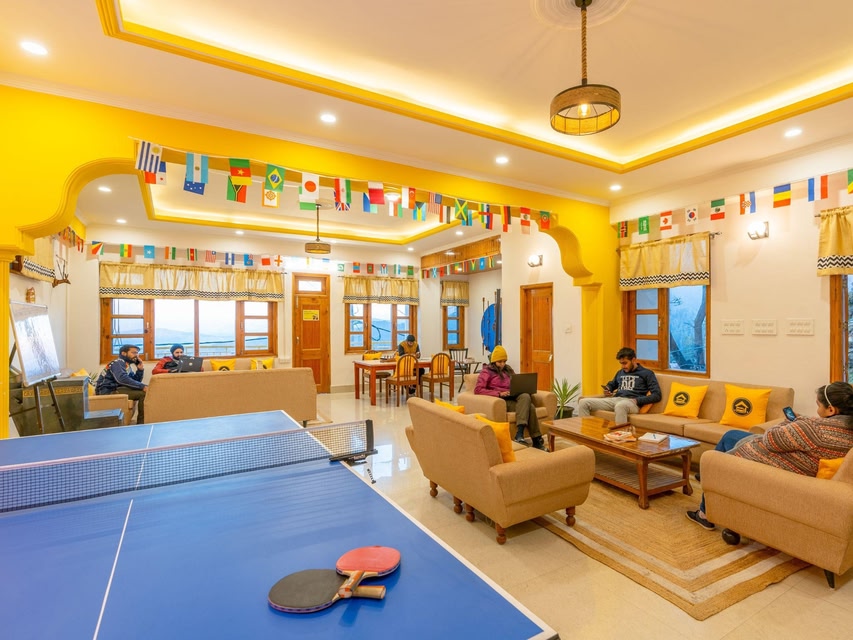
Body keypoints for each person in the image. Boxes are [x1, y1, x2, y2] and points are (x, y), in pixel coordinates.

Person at [686, 381, 853, 530]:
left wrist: (789, 422)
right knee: (730, 436)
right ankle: (706, 475)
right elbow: (810, 435)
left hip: (774, 465)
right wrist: (802, 421)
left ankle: (704, 511)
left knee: (717, 457)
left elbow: (770, 439)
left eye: (818, 405)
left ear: (831, 410)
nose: (817, 411)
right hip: (798, 466)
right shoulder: (845, 430)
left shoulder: (815, 430)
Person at [474, 345, 547, 451]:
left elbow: (516, 382)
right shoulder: (486, 372)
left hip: (513, 396)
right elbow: (478, 390)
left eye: (504, 361)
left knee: (525, 395)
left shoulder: (508, 369)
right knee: (530, 407)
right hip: (502, 400)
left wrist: (522, 387)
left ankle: (519, 435)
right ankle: (535, 440)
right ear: (494, 361)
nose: (502, 364)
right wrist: (499, 393)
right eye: (500, 362)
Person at [578, 347, 661, 426]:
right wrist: (608, 389)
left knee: (620, 405)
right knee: (583, 402)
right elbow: (612, 384)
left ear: (633, 360)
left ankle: (620, 435)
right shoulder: (620, 372)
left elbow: (657, 395)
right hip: (616, 400)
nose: (623, 366)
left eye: (625, 363)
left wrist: (637, 400)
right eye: (621, 363)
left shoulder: (647, 373)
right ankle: (586, 431)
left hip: (632, 403)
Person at [95, 344, 148, 424]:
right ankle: (141, 424)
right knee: (143, 393)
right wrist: (142, 386)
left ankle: (142, 422)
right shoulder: (117, 363)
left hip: (117, 388)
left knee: (145, 389)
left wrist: (140, 370)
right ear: (124, 353)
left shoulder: (126, 365)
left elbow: (134, 381)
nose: (136, 355)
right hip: (107, 391)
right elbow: (122, 379)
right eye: (134, 353)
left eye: (137, 353)